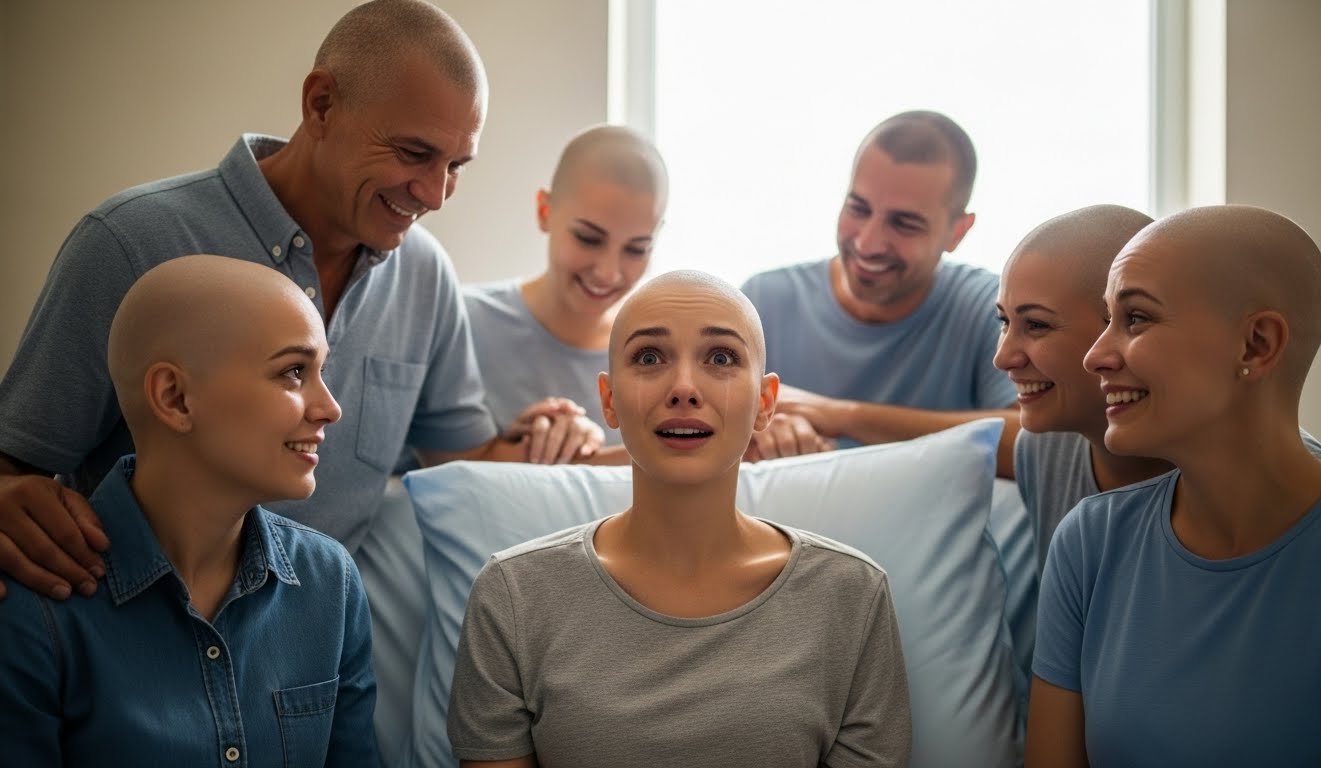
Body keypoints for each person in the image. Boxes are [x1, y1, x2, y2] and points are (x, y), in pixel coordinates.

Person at [0, 0, 563, 602]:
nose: (435, 194)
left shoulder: (425, 276)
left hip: (312, 662)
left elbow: (465, 459)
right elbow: (17, 464)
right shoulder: (131, 242)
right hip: (128, 649)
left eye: (457, 165)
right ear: (320, 104)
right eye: (412, 153)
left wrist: (568, 438)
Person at [448, 270, 913, 767]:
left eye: (721, 358)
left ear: (765, 403)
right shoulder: (513, 596)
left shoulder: (852, 596)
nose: (684, 388)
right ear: (608, 400)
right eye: (649, 358)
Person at [0, 255, 379, 766]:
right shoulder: (30, 608)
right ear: (175, 397)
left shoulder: (331, 582)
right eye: (293, 372)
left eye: (320, 372)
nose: (330, 407)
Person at [1026, 205, 1321, 767]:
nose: (1096, 355)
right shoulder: (1090, 541)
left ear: (1257, 344)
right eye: (1107, 319)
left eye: (1135, 318)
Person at [995, 204, 1321, 572]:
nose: (1003, 357)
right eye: (1003, 321)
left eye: (1036, 324)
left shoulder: (1317, 518)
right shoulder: (1044, 454)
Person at [739, 110, 1017, 471]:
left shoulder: (993, 309)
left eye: (904, 224)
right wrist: (756, 431)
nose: (868, 243)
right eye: (858, 208)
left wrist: (840, 416)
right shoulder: (763, 301)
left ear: (957, 233)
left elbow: (1037, 446)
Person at [462, 123, 668, 465]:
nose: (608, 272)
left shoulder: (661, 352)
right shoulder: (460, 323)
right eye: (589, 238)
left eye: (636, 249)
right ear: (545, 211)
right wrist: (513, 449)